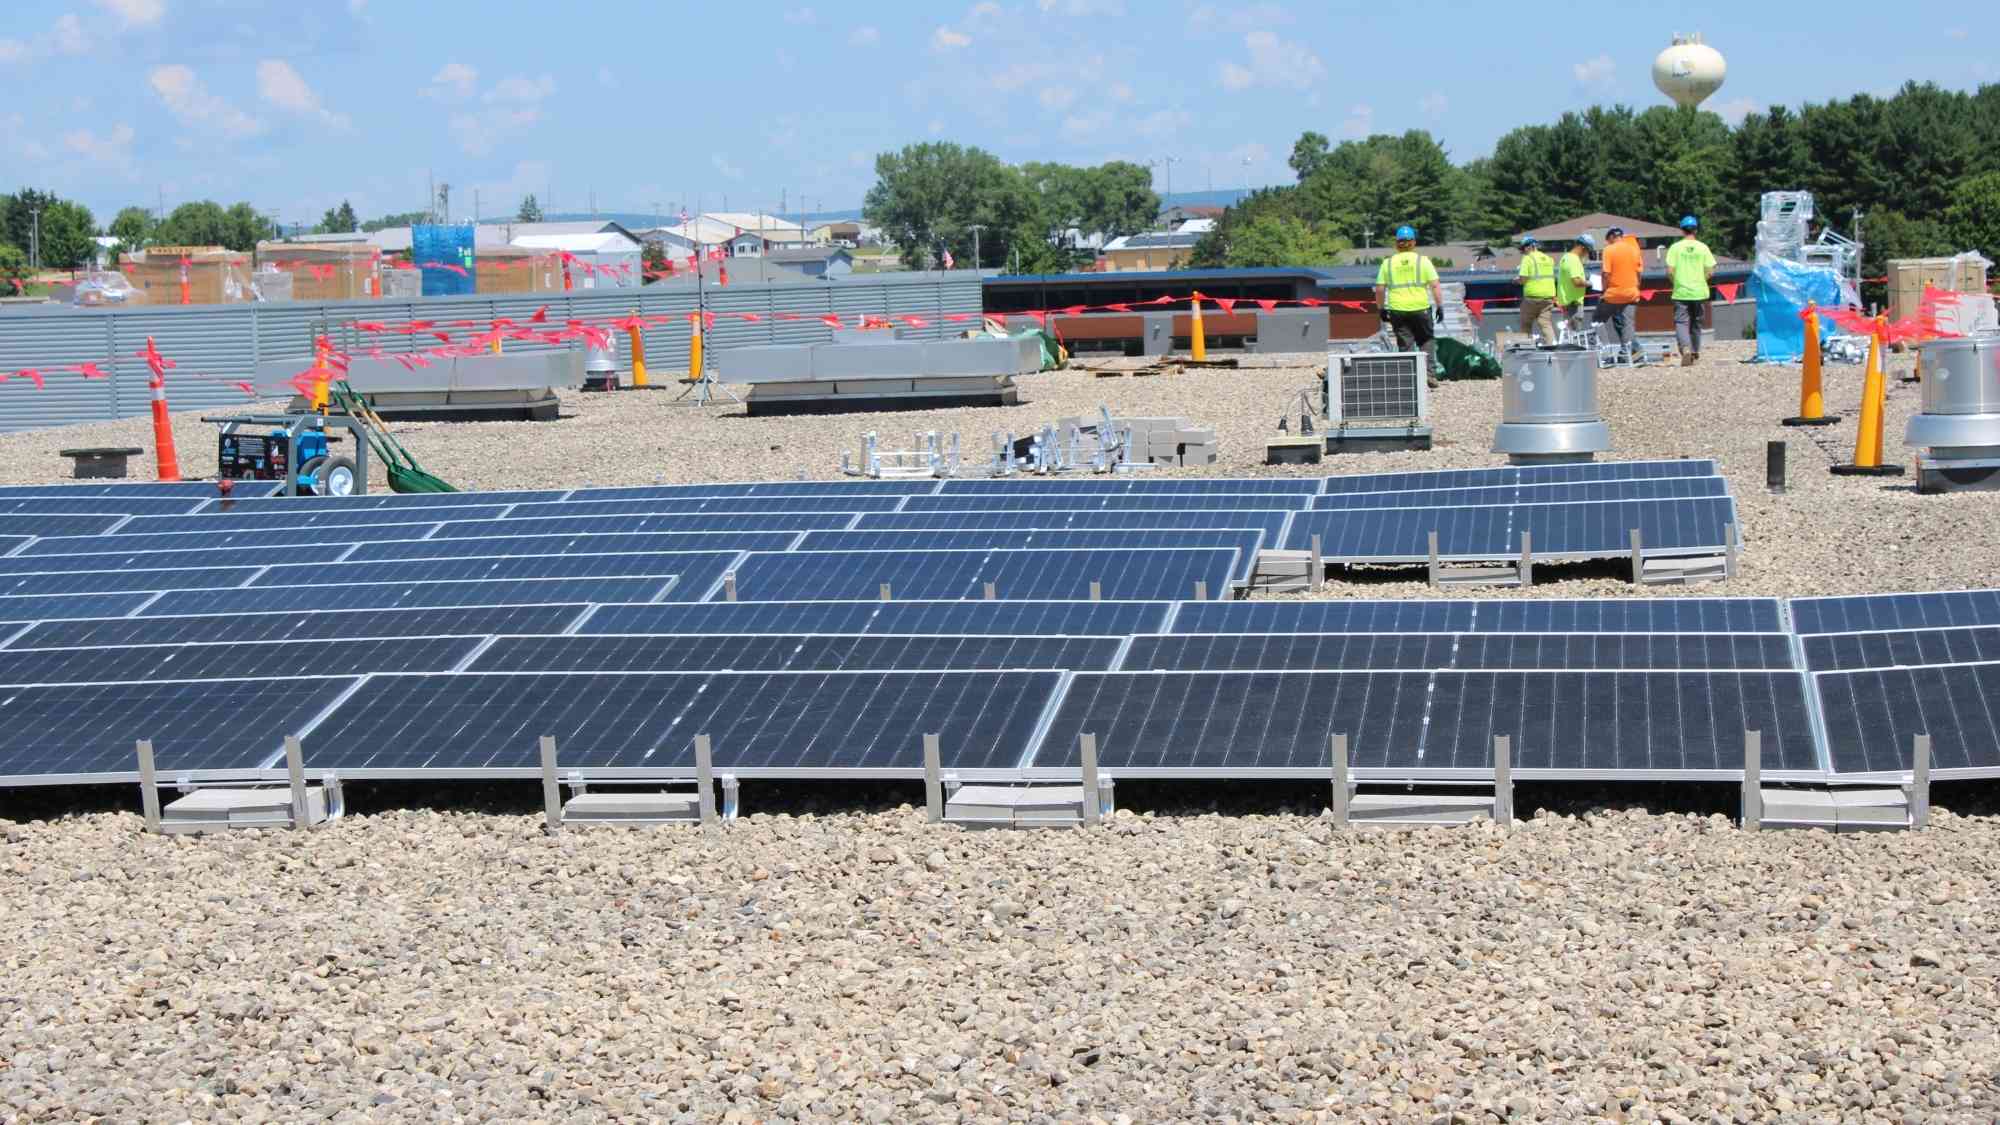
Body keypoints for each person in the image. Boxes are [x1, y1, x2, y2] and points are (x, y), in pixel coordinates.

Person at [1372, 224, 1445, 376]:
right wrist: (1440, 306)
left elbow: (1379, 288)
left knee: (1406, 344)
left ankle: (1410, 376)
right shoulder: (1422, 261)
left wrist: (1381, 308)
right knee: (1426, 340)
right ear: (1414, 242)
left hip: (1397, 310)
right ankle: (1430, 374)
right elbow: (1435, 286)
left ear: (1397, 243)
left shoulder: (1388, 263)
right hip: (1421, 308)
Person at [1664, 214, 1717, 366]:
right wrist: (1702, 280)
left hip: (1681, 291)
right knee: (1696, 323)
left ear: (1682, 230)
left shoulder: (1675, 248)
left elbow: (1669, 271)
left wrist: (1676, 282)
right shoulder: (1703, 247)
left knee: (1681, 322)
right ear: (1696, 230)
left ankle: (1685, 348)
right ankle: (1695, 350)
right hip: (1699, 291)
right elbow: (1711, 270)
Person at [1596, 225, 1643, 363]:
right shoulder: (1634, 249)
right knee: (1628, 323)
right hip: (1631, 292)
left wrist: (1604, 291)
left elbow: (1606, 273)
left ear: (1611, 237)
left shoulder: (1608, 250)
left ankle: (1606, 352)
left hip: (1614, 293)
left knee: (1598, 320)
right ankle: (1628, 352)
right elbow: (1639, 272)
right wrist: (1636, 286)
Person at [1515, 235, 1558, 344]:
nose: (1523, 251)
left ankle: (1525, 348)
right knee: (1545, 324)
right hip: (1548, 297)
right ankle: (1552, 347)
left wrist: (1516, 281)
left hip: (1532, 297)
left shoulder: (1527, 258)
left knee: (1526, 323)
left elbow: (1523, 279)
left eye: (1524, 248)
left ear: (1530, 247)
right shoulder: (1549, 259)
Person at [1556, 234, 1593, 338]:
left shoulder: (1565, 257)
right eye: (1587, 251)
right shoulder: (1574, 260)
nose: (1587, 254)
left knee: (1568, 335)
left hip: (1567, 302)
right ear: (1583, 248)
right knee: (1575, 337)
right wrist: (1591, 283)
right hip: (1574, 305)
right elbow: (1577, 282)